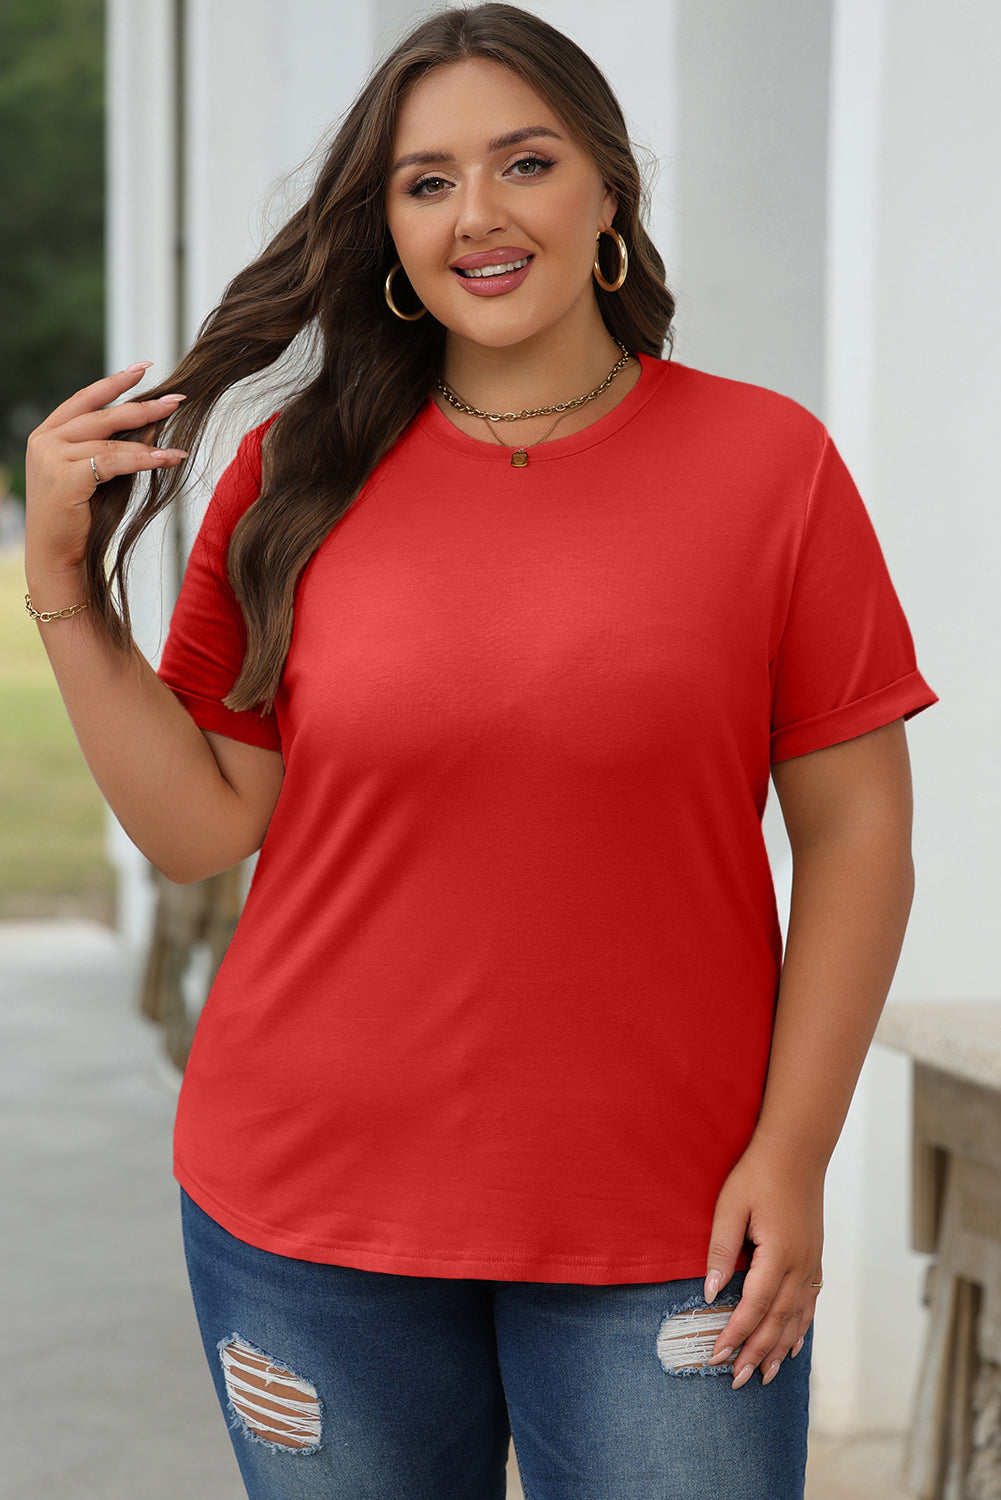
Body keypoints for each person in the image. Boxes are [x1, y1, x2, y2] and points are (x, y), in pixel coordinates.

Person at [24, 5, 936, 1496]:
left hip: (673, 1216)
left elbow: (858, 836)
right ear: (387, 229)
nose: (479, 216)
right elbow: (199, 829)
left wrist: (794, 1150)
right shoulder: (294, 475)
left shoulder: (768, 466)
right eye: (427, 181)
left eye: (526, 162)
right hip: (308, 1211)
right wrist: (63, 580)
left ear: (608, 192)